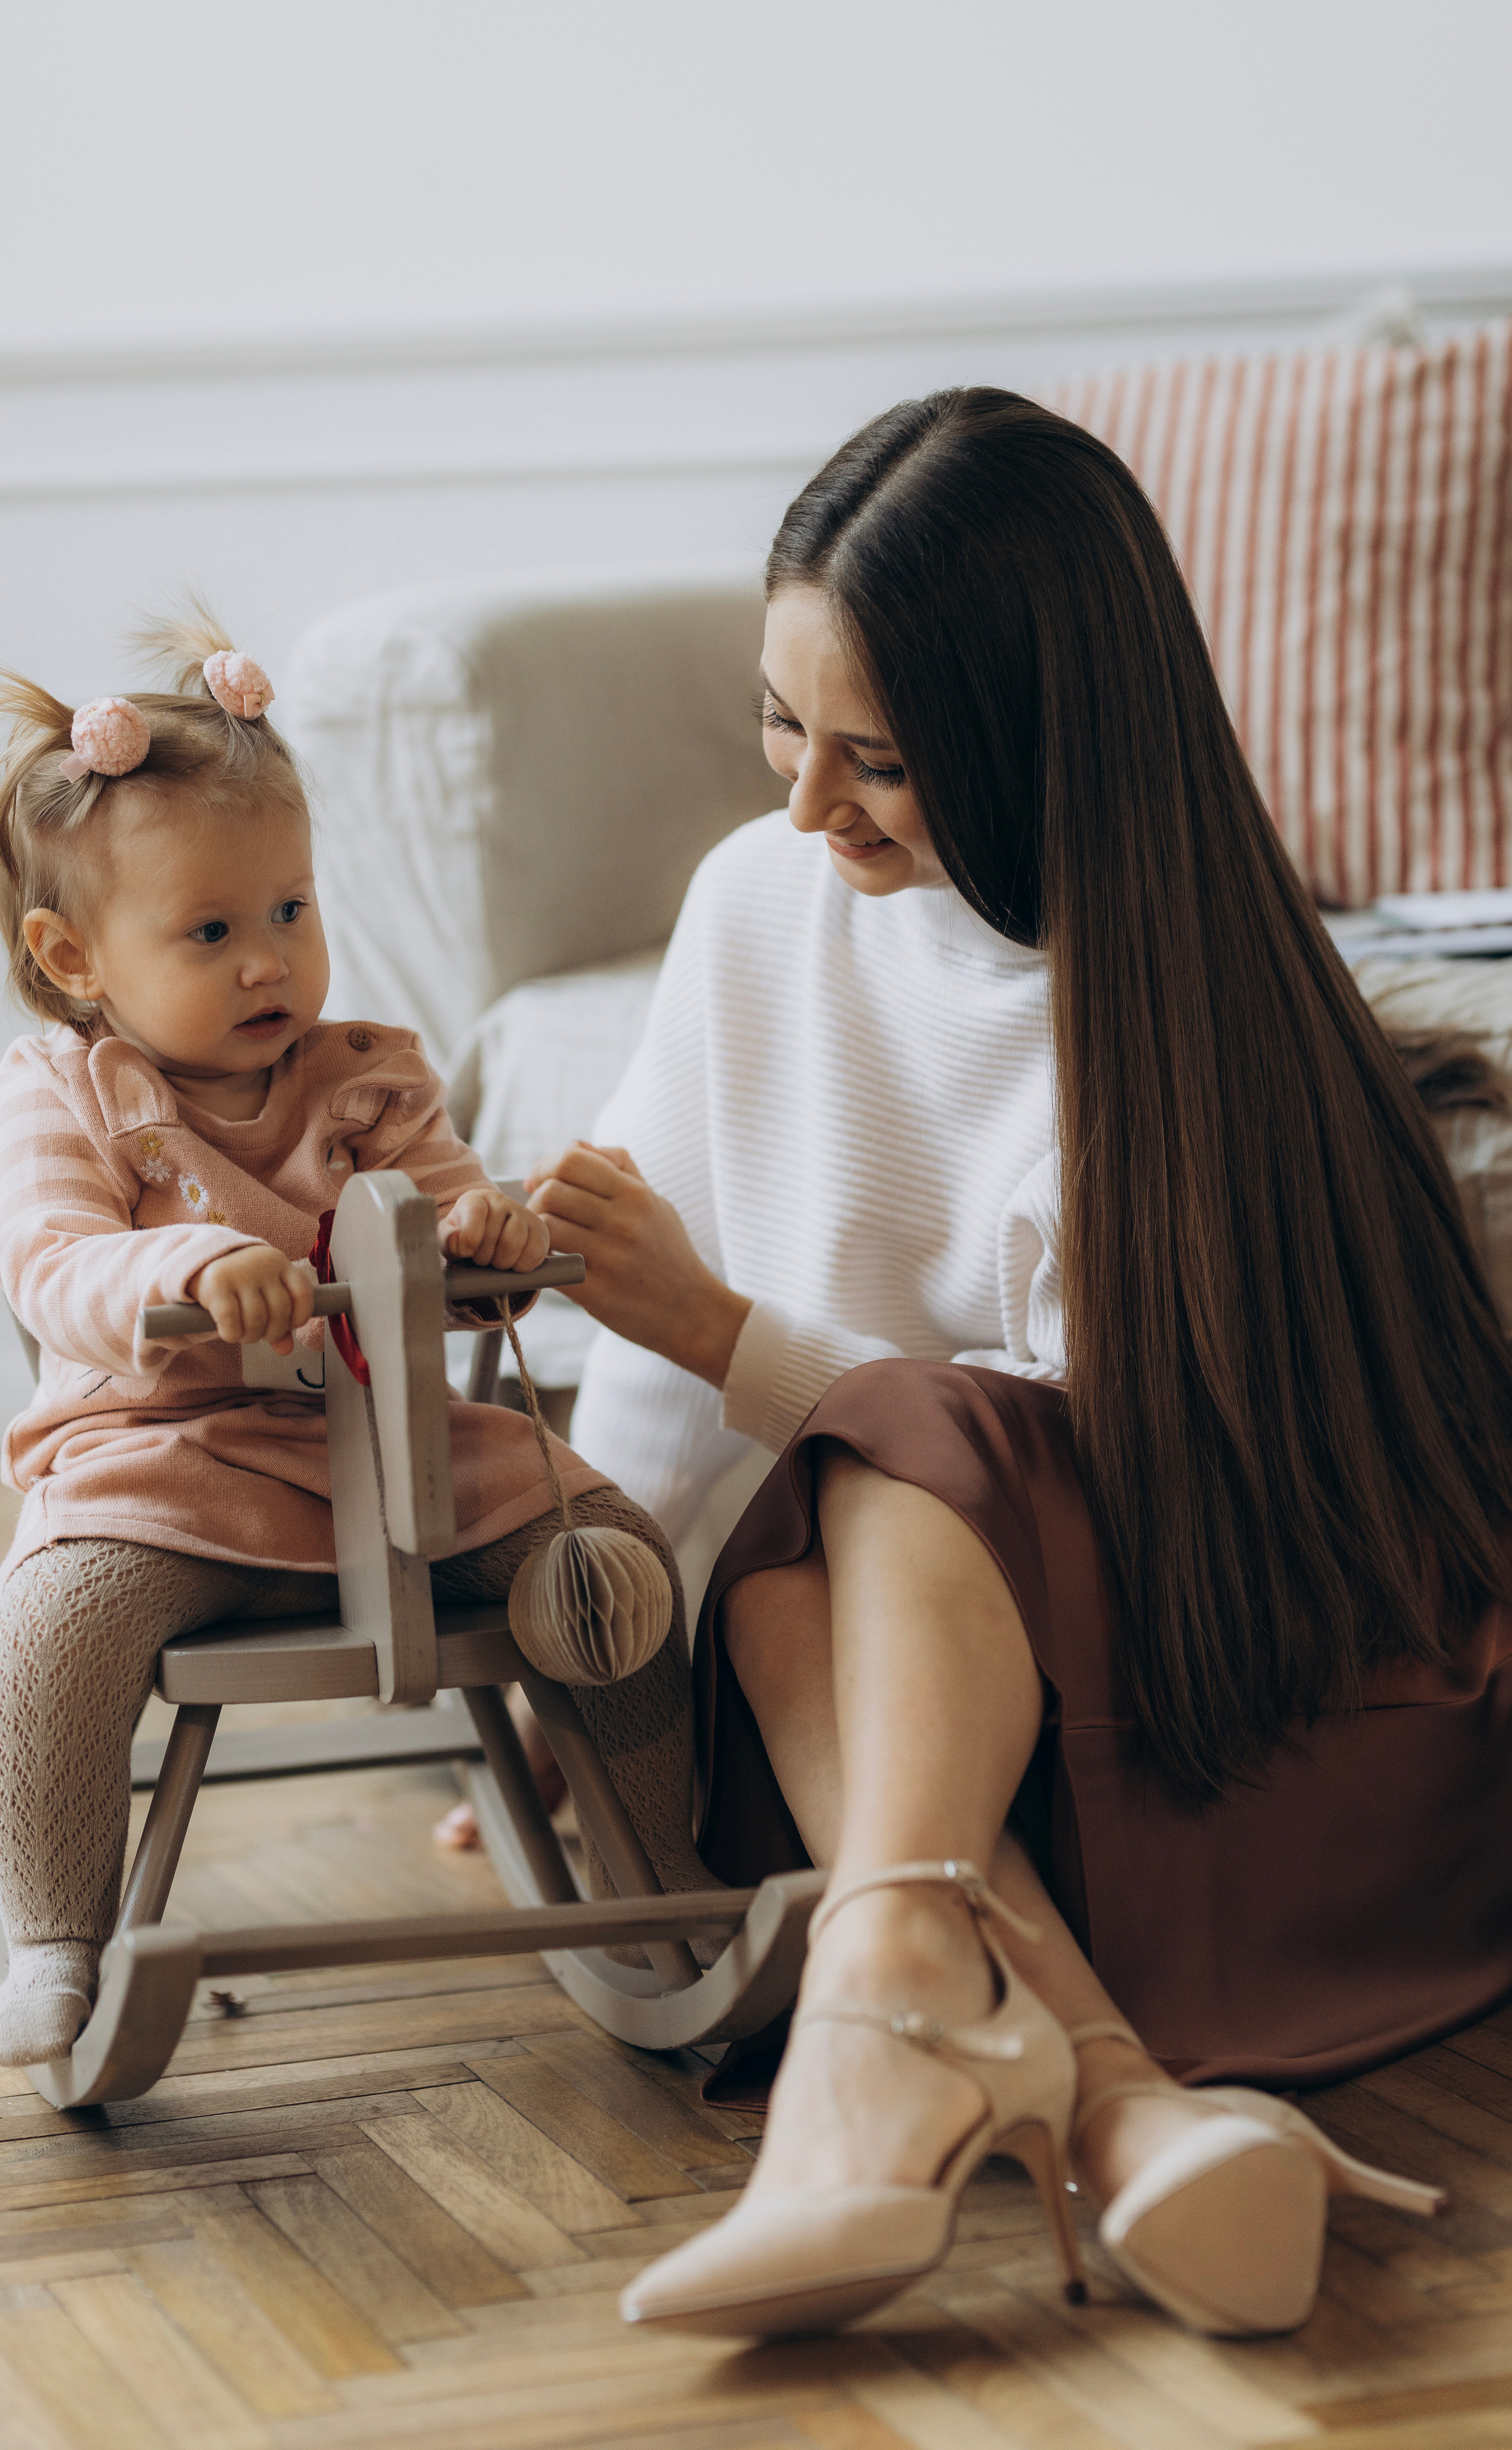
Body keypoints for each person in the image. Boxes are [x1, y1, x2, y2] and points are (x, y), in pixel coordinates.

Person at [526, 390, 1512, 2339]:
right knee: (782, 1545)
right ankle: (1105, 2101)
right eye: (779, 727)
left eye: (877, 760)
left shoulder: (1174, 1023)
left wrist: (728, 1334)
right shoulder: (757, 904)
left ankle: (895, 2049)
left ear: (1035, 741)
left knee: (901, 1446)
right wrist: (592, 1696)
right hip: (859, 1710)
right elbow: (659, 1423)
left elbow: (1129, 1488)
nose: (806, 809)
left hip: (1177, 1722)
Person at [0, 607, 706, 2071]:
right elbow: (48, 1262)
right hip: (163, 1457)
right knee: (55, 1621)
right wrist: (186, 1256)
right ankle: (57, 1936)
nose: (269, 964)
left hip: (397, 1455)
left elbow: (453, 1217)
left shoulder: (366, 1078)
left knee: (607, 1555)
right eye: (213, 932)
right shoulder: (70, 1090)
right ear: (76, 957)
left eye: (291, 912)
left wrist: (486, 1230)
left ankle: (663, 1866)